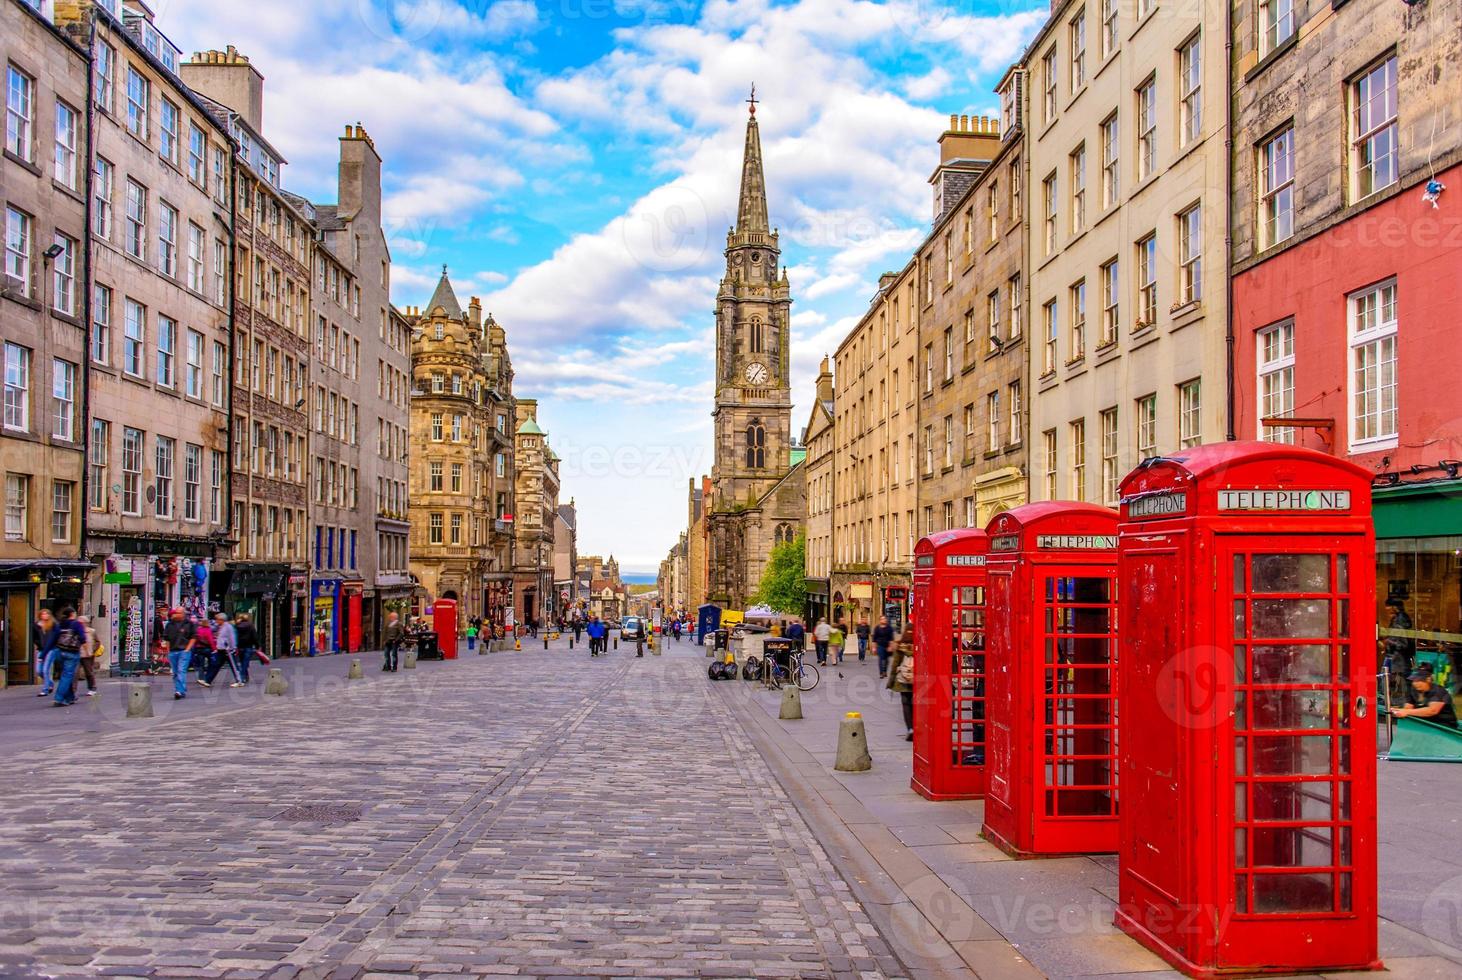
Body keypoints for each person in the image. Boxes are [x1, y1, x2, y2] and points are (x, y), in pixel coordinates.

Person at [47, 606, 89, 707]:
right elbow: (83, 638)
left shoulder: (59, 624)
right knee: (67, 675)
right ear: (72, 614)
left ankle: (70, 697)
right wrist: (85, 649)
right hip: (72, 652)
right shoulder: (76, 624)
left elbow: (53, 639)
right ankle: (59, 698)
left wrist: (45, 653)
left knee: (66, 674)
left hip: (60, 651)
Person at [1394, 664, 1458, 728]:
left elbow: (1432, 711)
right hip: (1424, 723)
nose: (1416, 683)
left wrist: (1407, 712)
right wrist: (1397, 711)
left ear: (1428, 679)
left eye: (1419, 680)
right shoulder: (1412, 691)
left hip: (1444, 725)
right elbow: (1408, 707)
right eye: (1414, 680)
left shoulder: (1438, 690)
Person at [885, 626, 915, 740]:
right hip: (917, 680)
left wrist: (890, 682)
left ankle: (910, 728)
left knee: (906, 703)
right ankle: (917, 727)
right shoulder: (920, 645)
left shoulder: (900, 647)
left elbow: (894, 665)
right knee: (915, 705)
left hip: (903, 680)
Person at [162, 607, 198, 700]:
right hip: (173, 651)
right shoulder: (170, 624)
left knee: (181, 670)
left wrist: (187, 649)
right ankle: (181, 689)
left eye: (178, 613)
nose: (176, 614)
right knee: (175, 672)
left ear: (183, 614)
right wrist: (168, 650)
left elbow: (193, 637)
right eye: (175, 613)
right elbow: (167, 639)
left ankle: (179, 691)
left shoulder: (189, 624)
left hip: (183, 651)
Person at [210, 613, 241, 688]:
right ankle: (208, 680)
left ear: (222, 620)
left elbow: (231, 638)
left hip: (228, 650)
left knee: (233, 665)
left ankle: (239, 680)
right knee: (216, 665)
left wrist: (232, 647)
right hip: (221, 649)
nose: (216, 621)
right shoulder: (221, 626)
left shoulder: (228, 627)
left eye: (217, 619)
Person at [33, 608, 56, 697]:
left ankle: (45, 690)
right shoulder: (36, 625)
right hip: (41, 650)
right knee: (39, 671)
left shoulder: (53, 625)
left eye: (46, 614)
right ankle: (50, 683)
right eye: (43, 614)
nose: (45, 616)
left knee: (46, 669)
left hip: (51, 650)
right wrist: (39, 644)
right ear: (40, 615)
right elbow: (35, 637)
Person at [77, 615, 101, 696]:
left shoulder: (91, 631)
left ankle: (92, 688)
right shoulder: (75, 631)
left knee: (88, 672)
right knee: (74, 673)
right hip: (77, 653)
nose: (80, 624)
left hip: (88, 655)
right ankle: (72, 690)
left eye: (82, 622)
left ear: (86, 623)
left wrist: (93, 649)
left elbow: (97, 642)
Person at [192, 617, 217, 688]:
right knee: (210, 663)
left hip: (199, 648)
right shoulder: (209, 630)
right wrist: (214, 648)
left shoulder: (198, 630)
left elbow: (195, 639)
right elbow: (211, 640)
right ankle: (207, 677)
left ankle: (201, 678)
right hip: (207, 648)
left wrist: (195, 647)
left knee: (201, 664)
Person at [234, 613, 259, 684]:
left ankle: (245, 676)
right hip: (248, 646)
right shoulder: (250, 626)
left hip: (240, 647)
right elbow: (254, 636)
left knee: (242, 662)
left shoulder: (237, 626)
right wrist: (257, 645)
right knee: (245, 662)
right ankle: (242, 677)